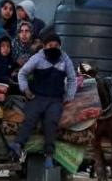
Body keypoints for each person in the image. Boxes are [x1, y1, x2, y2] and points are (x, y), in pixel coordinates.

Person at [9, 33, 77, 168]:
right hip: (37, 97)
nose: (53, 48)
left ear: (60, 46)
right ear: (45, 46)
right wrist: (26, 90)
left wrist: (69, 96)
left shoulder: (65, 59)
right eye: (50, 45)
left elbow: (72, 78)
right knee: (30, 117)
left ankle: (49, 155)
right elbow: (22, 73)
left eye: (56, 46)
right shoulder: (38, 58)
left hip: (55, 99)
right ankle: (18, 145)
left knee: (51, 122)